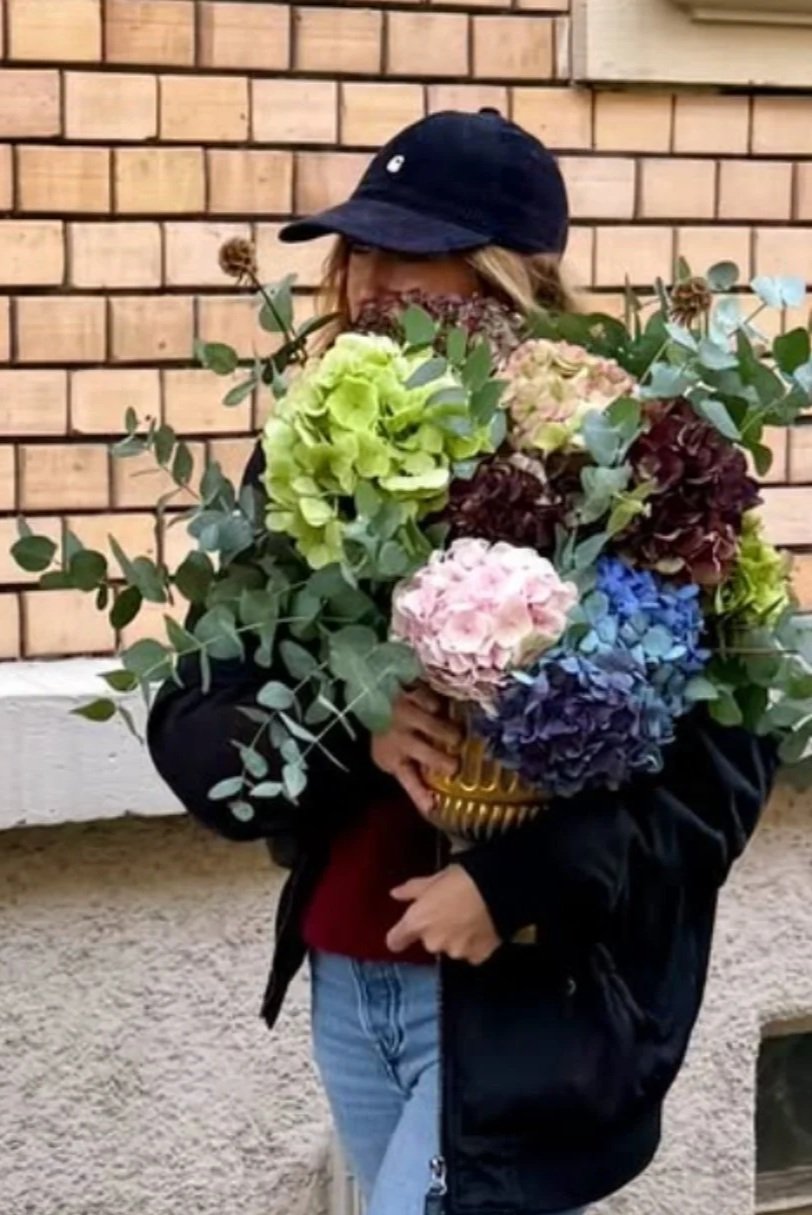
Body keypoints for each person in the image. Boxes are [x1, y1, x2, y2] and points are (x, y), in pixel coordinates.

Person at [147, 110, 777, 1215]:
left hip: (526, 997)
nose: (368, 281)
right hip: (354, 978)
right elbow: (194, 711)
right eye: (358, 251)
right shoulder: (315, 444)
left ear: (500, 275)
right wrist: (351, 720)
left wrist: (508, 882)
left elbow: (722, 775)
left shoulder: (631, 455)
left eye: (404, 248)